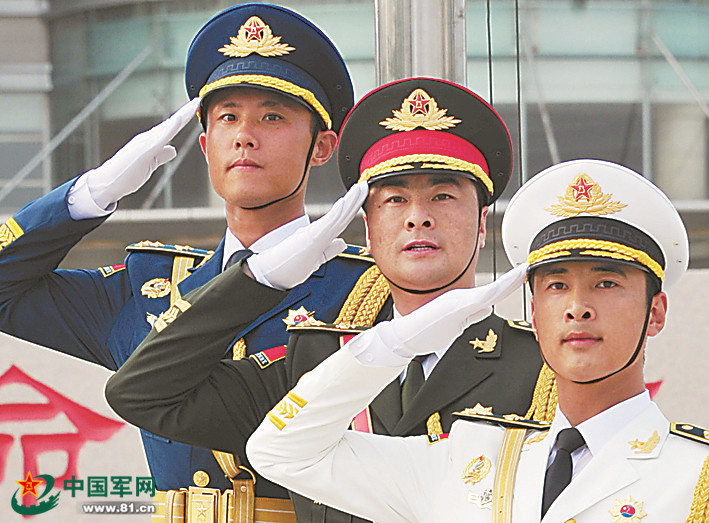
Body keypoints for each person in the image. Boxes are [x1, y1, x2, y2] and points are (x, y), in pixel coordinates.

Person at [106, 77, 549, 522]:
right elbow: (143, 394)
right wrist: (260, 278)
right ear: (368, 230)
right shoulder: (316, 358)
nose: (418, 218)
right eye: (395, 199)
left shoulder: (543, 367)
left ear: (482, 224)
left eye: (443, 196)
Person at [0, 3, 373, 518]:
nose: (244, 135)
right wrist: (90, 195)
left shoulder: (364, 290)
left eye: (272, 116)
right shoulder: (148, 287)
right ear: (204, 144)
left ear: (322, 147)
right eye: (227, 117)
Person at [246, 159, 709, 522]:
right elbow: (282, 452)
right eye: (556, 286)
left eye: (606, 284)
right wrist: (396, 341)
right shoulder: (473, 456)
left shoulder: (695, 475)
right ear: (534, 314)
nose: (577, 308)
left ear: (655, 312)